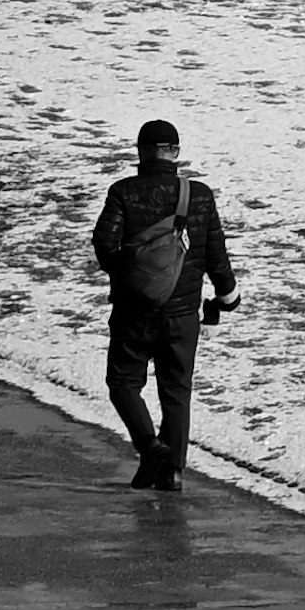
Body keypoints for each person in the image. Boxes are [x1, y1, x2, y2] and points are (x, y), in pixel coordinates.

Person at [91, 117, 238, 492]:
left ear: (140, 152)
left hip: (134, 311)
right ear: (175, 152)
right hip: (183, 315)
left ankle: (149, 447)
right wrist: (227, 296)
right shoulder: (199, 195)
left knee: (123, 383)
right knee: (176, 392)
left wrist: (136, 278)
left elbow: (105, 246)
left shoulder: (123, 192)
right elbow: (215, 254)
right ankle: (172, 472)